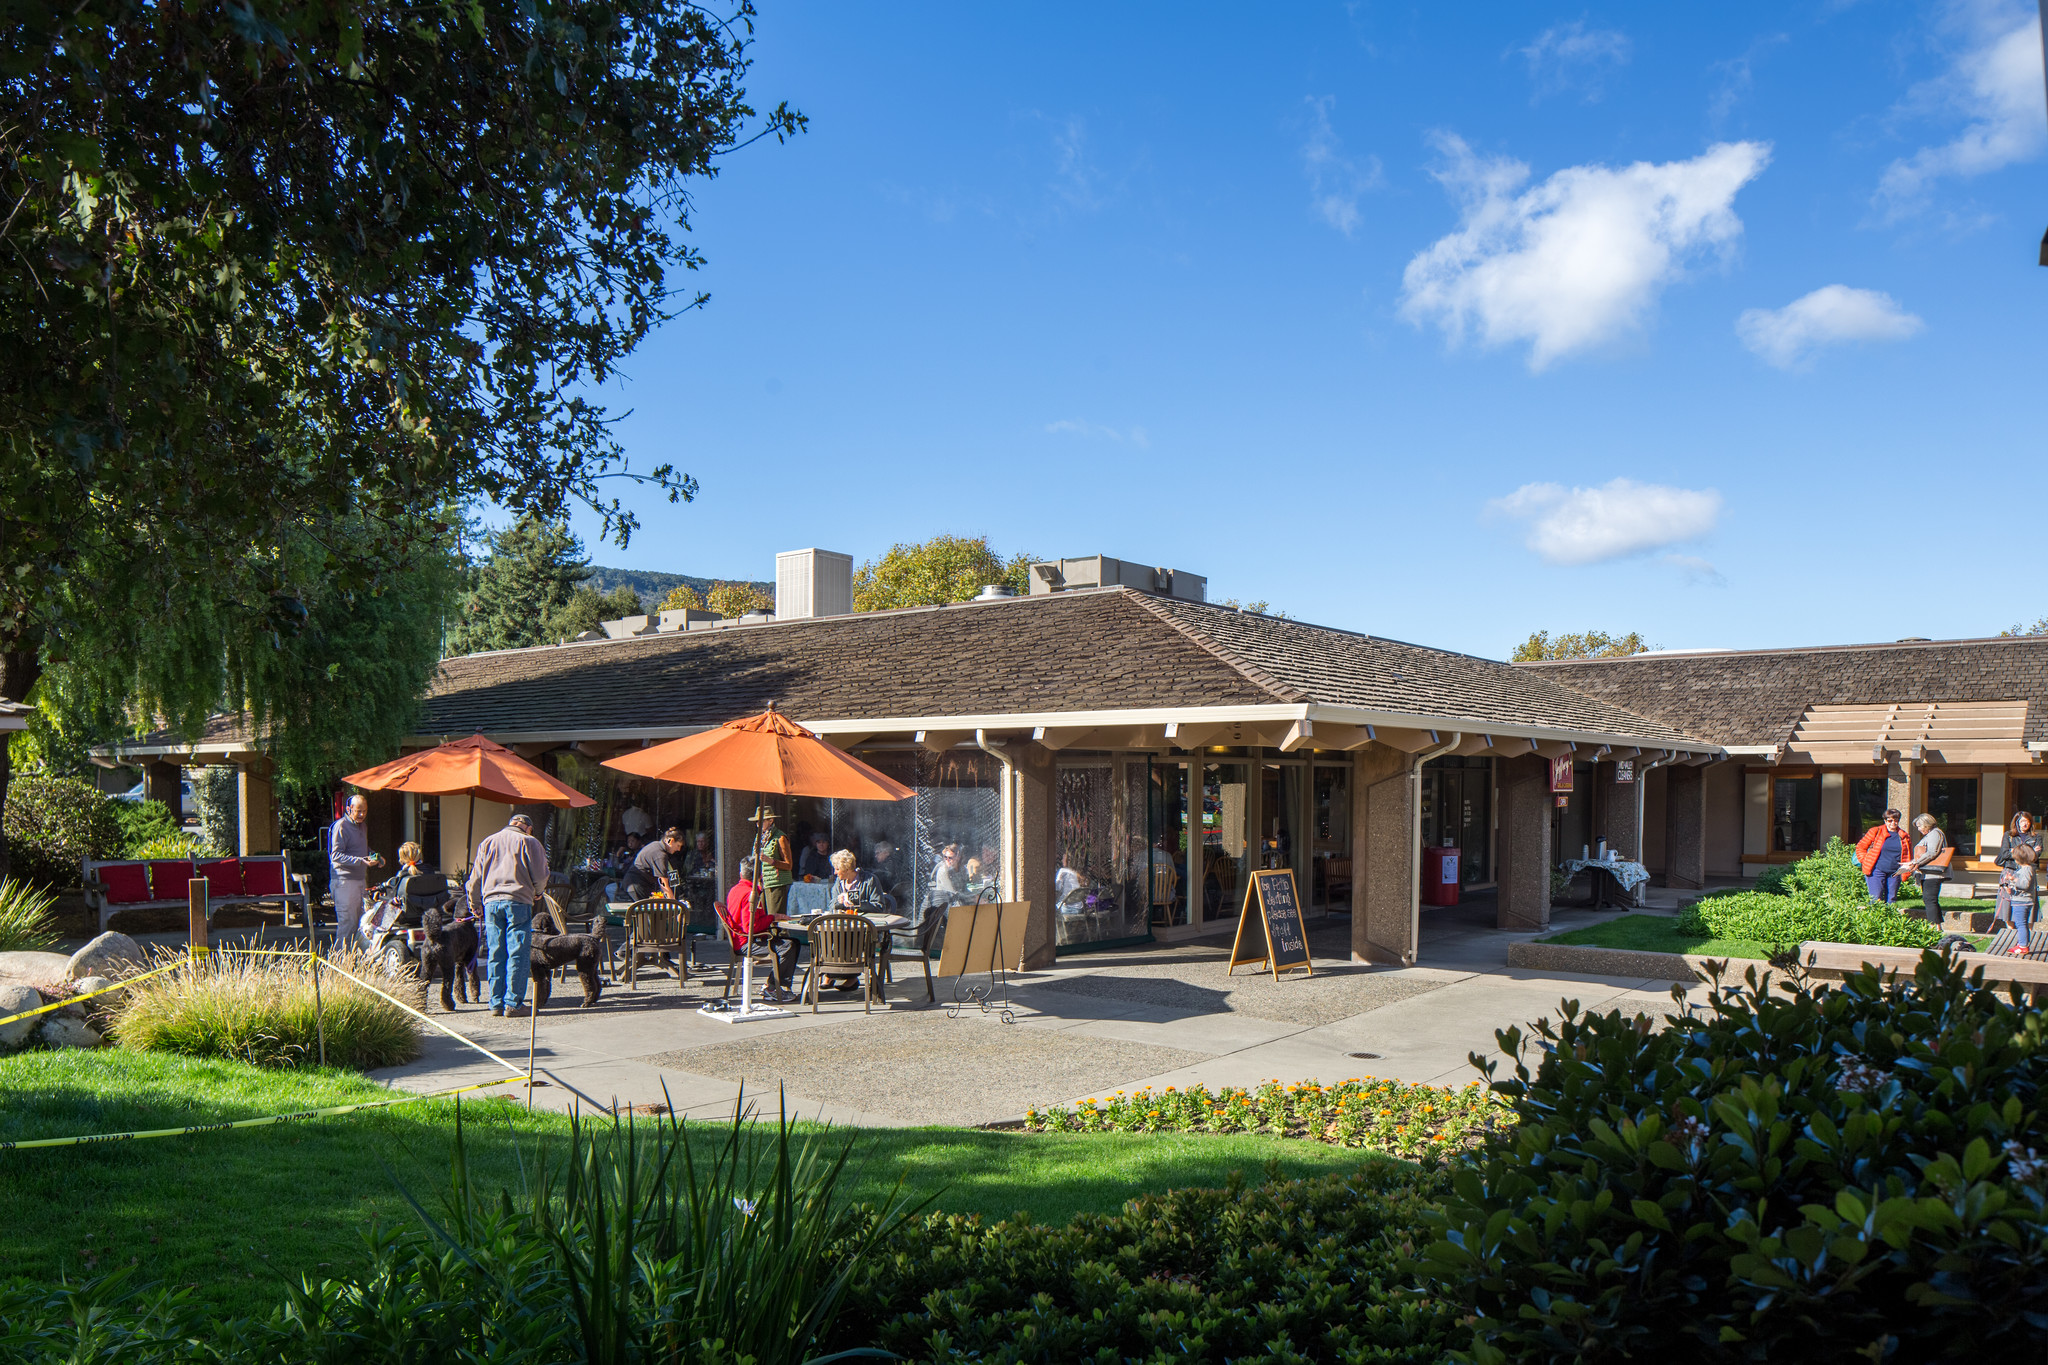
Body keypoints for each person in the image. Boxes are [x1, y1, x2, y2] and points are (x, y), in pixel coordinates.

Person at [465, 813, 551, 1017]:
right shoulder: (529, 841)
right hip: (518, 900)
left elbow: (475, 877)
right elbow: (540, 875)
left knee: (495, 952)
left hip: (491, 903)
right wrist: (538, 892)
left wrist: (474, 902)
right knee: (518, 952)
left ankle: (495, 1003)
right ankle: (513, 1003)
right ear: (528, 828)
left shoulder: (488, 841)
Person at [722, 857, 798, 1000]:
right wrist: (772, 918)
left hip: (739, 939)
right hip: (747, 943)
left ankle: (777, 985)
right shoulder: (751, 894)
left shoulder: (735, 889)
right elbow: (751, 927)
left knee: (792, 943)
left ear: (741, 873)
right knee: (788, 946)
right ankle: (772, 987)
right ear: (760, 875)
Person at [328, 794, 386, 941]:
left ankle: (356, 960)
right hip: (344, 882)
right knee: (348, 925)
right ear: (349, 809)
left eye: (365, 811)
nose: (361, 815)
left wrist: (375, 856)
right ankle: (340, 960)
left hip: (360, 881)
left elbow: (361, 849)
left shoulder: (363, 826)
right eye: (358, 811)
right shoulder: (341, 826)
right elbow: (335, 855)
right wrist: (361, 861)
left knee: (363, 923)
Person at [1995, 812, 2043, 953]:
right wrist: (2026, 852)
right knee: (2008, 905)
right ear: (2016, 822)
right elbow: (2004, 854)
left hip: (2026, 874)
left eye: (2027, 821)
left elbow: (2036, 856)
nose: (2025, 824)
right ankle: (2011, 935)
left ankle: (2023, 941)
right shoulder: (2009, 835)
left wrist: (2015, 851)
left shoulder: (2036, 836)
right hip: (2010, 871)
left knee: (2024, 910)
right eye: (2022, 821)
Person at [1900, 814, 1949, 925]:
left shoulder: (1934, 834)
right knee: (1930, 900)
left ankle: (1933, 925)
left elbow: (1932, 852)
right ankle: (1937, 926)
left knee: (1929, 900)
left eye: (1920, 826)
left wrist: (1916, 862)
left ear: (1927, 824)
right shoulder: (1932, 834)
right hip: (1929, 872)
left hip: (1933, 873)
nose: (1919, 829)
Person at [1855, 809, 1911, 903]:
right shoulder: (1875, 831)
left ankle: (1890, 917)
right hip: (1876, 870)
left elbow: (1908, 854)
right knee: (1875, 898)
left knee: (1892, 899)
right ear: (1885, 821)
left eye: (1896, 820)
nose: (1893, 823)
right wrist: (1865, 860)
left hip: (1895, 871)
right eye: (1890, 821)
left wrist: (1907, 868)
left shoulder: (1904, 836)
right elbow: (1861, 847)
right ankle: (1874, 917)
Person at [750, 808, 794, 917]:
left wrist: (770, 861)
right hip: (763, 884)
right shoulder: (759, 838)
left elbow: (789, 865)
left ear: (771, 821)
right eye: (757, 821)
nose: (758, 824)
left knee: (775, 918)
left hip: (777, 884)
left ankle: (778, 935)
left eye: (762, 821)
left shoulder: (780, 838)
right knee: (764, 918)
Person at [624, 826, 685, 902]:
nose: (678, 849)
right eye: (678, 845)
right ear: (671, 841)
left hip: (637, 884)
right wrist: (673, 902)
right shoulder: (660, 855)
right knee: (646, 912)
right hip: (636, 885)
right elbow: (663, 883)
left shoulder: (656, 845)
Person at [1998, 845, 2039, 957]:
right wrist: (2011, 888)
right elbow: (2020, 885)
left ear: (2020, 858)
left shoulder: (2027, 869)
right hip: (2020, 899)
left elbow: (2024, 884)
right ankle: (2023, 943)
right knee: (2022, 923)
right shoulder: (2024, 869)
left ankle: (2023, 945)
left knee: (2020, 924)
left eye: (2015, 858)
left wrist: (2014, 879)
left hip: (2022, 902)